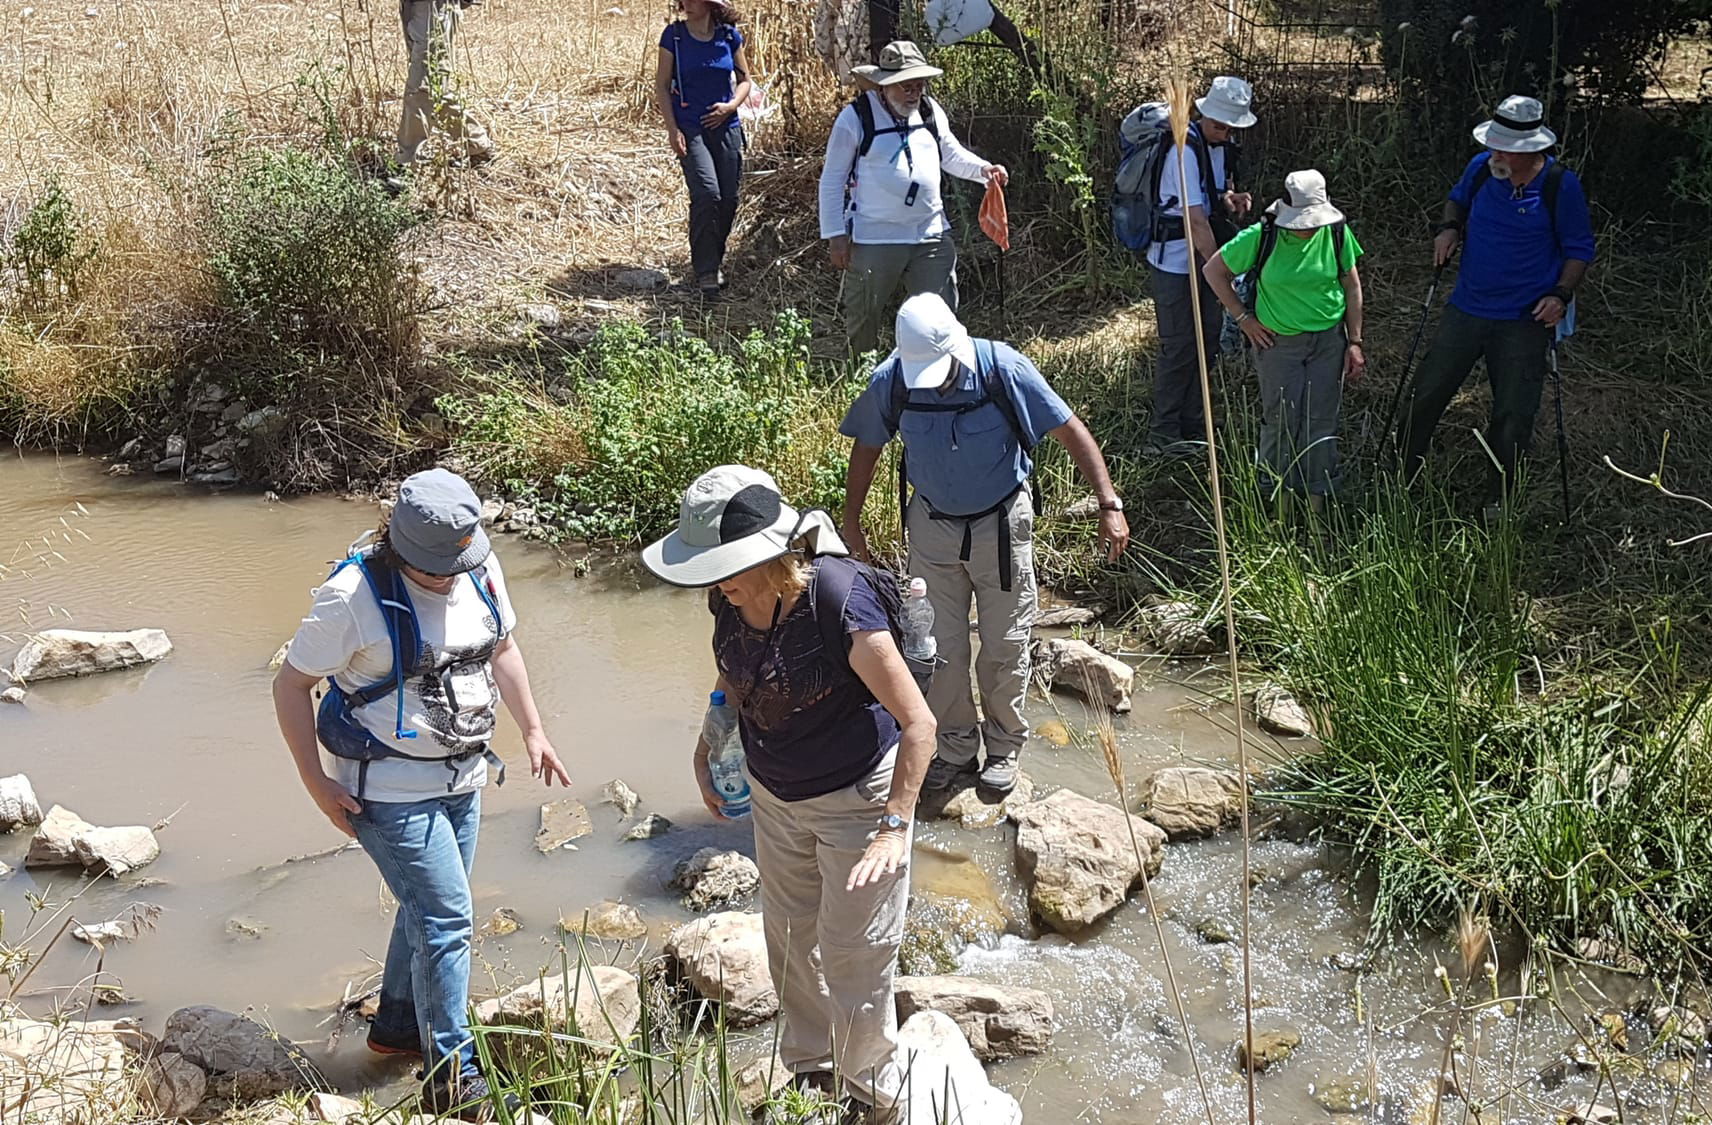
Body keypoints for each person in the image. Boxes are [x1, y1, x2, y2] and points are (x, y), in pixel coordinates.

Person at [272, 469, 571, 1121]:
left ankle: (397, 1027)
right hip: (386, 790)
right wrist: (316, 784)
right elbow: (290, 686)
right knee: (448, 917)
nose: (450, 576)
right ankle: (452, 1077)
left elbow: (505, 649)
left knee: (429, 909)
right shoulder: (351, 596)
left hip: (462, 777)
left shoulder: (480, 570)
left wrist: (536, 730)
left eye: (458, 561)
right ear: (400, 546)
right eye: (436, 568)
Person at [642, 465, 936, 1125]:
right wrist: (711, 738)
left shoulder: (840, 597)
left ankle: (874, 1095)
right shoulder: (729, 593)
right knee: (791, 936)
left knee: (855, 950)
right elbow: (732, 669)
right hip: (775, 796)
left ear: (771, 555)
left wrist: (894, 825)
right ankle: (811, 1066)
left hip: (859, 799)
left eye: (724, 566)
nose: (716, 581)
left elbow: (920, 724)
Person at [838, 294, 1129, 798]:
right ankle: (953, 749)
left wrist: (1109, 504)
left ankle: (1004, 747)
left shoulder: (1003, 369)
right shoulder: (894, 380)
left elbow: (1069, 429)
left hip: (1001, 524)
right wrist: (852, 522)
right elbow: (867, 444)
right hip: (930, 526)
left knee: (1005, 643)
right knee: (937, 648)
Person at [1398, 95, 1597, 512]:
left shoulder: (1561, 185)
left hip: (1524, 320)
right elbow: (1458, 199)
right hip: (1467, 307)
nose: (1495, 153)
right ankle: (1400, 476)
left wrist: (1559, 295)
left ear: (1532, 151)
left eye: (1504, 148)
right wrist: (1448, 229)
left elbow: (1578, 249)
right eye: (1493, 144)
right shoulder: (1480, 170)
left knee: (1513, 412)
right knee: (1428, 390)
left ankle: (1499, 501)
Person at [817, 41, 1007, 355]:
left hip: (930, 234)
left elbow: (952, 155)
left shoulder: (930, 111)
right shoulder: (855, 118)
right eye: (906, 86)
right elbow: (832, 180)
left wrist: (984, 171)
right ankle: (863, 379)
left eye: (919, 85)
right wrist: (835, 236)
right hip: (873, 238)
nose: (914, 93)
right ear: (884, 85)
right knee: (864, 316)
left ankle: (937, 378)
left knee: (940, 316)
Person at [1201, 169, 1367, 503]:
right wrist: (1244, 318)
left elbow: (1351, 285)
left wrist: (1355, 341)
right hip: (1277, 344)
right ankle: (1275, 495)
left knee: (1321, 417)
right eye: (1302, 221)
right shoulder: (1262, 236)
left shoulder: (1335, 233)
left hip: (1328, 341)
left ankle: (1320, 495)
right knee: (1280, 418)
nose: (1308, 228)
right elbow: (1213, 271)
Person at [1145, 76, 1256, 454]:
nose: (1225, 132)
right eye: (1219, 124)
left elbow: (1211, 197)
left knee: (1207, 340)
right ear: (1203, 114)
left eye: (1231, 126)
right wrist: (1222, 270)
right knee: (1179, 346)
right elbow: (1194, 221)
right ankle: (1163, 434)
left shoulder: (1220, 146)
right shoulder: (1183, 150)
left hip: (1206, 259)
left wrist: (1231, 200)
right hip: (1175, 263)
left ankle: (1195, 420)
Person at [656, 0, 754, 302]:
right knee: (707, 194)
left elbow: (745, 81)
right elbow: (661, 86)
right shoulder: (673, 36)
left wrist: (731, 106)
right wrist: (673, 130)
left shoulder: (728, 36)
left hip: (726, 126)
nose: (686, 3)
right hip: (691, 127)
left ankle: (715, 258)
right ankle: (706, 270)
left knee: (728, 198)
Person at [396, 0, 495, 183]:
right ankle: (477, 142)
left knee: (421, 87)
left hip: (434, 6)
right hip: (417, 7)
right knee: (433, 88)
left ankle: (407, 164)